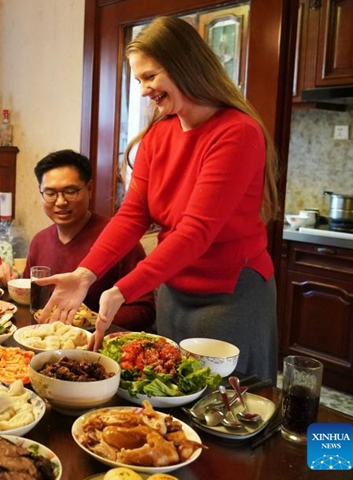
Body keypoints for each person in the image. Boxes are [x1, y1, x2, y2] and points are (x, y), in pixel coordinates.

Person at [37, 17, 281, 383]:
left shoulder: (237, 132)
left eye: (150, 77)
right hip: (173, 289)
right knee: (169, 393)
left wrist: (123, 289)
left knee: (225, 406)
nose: (143, 90)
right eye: (138, 80)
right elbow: (132, 215)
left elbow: (195, 232)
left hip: (229, 295)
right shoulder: (159, 134)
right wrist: (86, 274)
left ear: (184, 65)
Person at [0, 150, 155, 331]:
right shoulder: (40, 241)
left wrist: (88, 321)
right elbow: (35, 301)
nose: (60, 202)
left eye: (70, 191)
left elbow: (144, 311)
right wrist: (9, 280)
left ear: (89, 189)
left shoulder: (119, 238)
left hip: (97, 347)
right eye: (51, 193)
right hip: (44, 341)